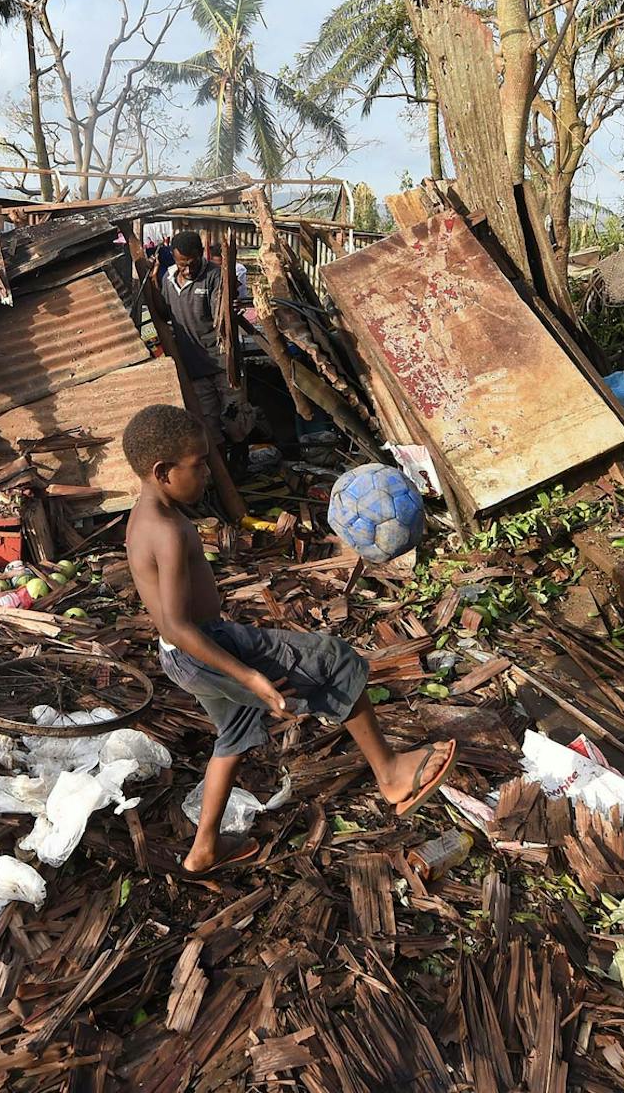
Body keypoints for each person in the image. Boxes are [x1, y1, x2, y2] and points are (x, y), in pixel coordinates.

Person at [123, 403, 457, 876]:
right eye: (198, 466)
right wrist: (251, 675)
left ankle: (203, 851)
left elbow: (171, 630)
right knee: (336, 660)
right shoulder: (170, 531)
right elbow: (179, 623)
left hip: (180, 657)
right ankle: (392, 774)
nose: (206, 476)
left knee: (234, 734)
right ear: (162, 471)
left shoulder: (142, 518)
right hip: (207, 648)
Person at [161, 230, 249, 442]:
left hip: (223, 365)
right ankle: (220, 472)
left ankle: (241, 462)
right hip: (194, 368)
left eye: (192, 262)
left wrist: (231, 307)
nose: (188, 269)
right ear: (174, 257)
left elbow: (221, 313)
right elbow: (164, 313)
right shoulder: (168, 279)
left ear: (201, 253)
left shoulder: (215, 276)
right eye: (182, 264)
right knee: (207, 428)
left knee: (234, 420)